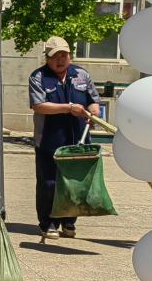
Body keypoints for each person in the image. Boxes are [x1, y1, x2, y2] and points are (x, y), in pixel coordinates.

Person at [29, 36, 100, 240]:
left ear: (70, 56)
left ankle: (69, 221)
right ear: (47, 58)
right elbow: (38, 106)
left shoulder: (81, 75)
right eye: (55, 56)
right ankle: (48, 223)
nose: (60, 60)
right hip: (49, 140)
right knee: (49, 183)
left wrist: (94, 111)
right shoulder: (38, 77)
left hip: (78, 139)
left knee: (75, 183)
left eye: (64, 55)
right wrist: (68, 108)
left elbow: (93, 99)